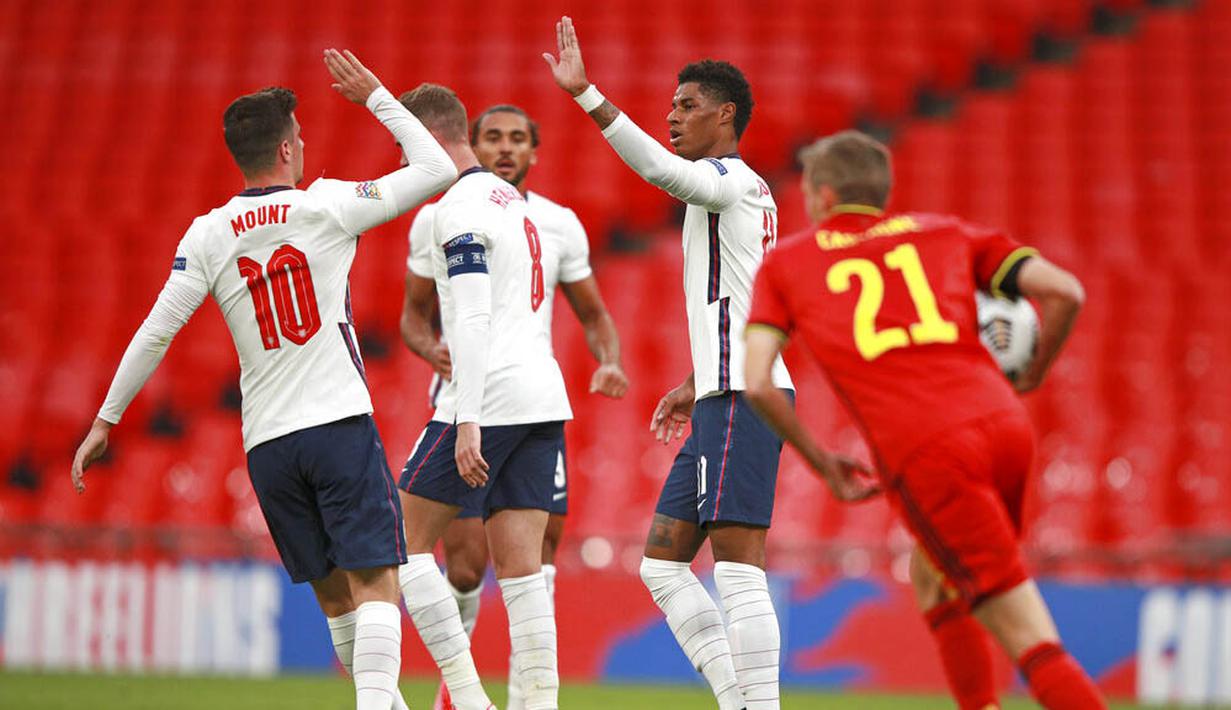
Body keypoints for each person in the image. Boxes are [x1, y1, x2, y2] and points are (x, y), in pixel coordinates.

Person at [69, 50, 458, 710]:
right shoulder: (328, 205)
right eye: (300, 139)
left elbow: (156, 331)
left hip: (268, 447)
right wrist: (376, 99)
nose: (304, 148)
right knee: (376, 587)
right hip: (335, 422)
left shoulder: (208, 233)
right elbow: (438, 169)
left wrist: (106, 419)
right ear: (285, 148)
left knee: (337, 601)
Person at [743, 131, 1104, 709]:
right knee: (934, 574)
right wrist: (1032, 372)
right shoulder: (947, 234)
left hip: (930, 450)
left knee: (1027, 636)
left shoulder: (788, 262)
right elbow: (1065, 291)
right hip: (1006, 425)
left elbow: (758, 381)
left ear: (823, 195)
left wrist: (822, 463)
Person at [544, 17, 793, 710]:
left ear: (725, 115)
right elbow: (749, 301)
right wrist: (695, 379)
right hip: (726, 388)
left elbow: (658, 169)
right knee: (662, 562)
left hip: (744, 394)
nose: (670, 115)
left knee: (738, 568)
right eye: (670, 104)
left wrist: (587, 94)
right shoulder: (743, 193)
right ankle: (735, 698)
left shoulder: (728, 181)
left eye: (685, 106)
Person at [400, 102, 628, 710]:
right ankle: (531, 702)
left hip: (486, 397)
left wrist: (467, 407)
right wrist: (433, 351)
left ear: (534, 150)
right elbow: (415, 318)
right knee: (495, 566)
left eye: (517, 138)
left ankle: (466, 700)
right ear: (474, 143)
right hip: (536, 393)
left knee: (404, 543)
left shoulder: (478, 209)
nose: (505, 148)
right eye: (493, 137)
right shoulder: (510, 212)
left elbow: (482, 316)